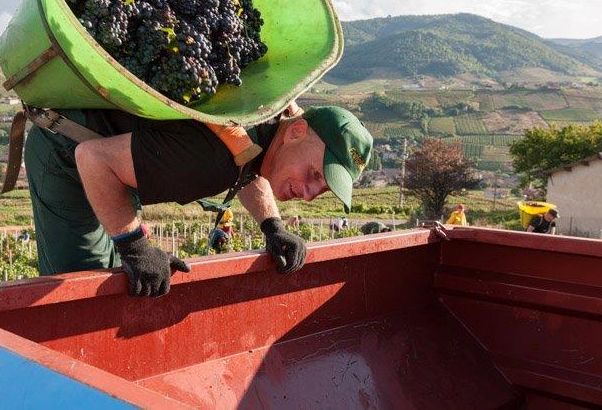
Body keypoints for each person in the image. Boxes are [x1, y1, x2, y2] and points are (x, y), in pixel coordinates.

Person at [23, 104, 373, 298]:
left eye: (322, 188)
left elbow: (249, 166)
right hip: (65, 157)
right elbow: (92, 159)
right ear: (296, 132)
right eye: (314, 174)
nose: (311, 193)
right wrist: (134, 245)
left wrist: (273, 226)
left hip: (115, 157)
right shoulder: (207, 161)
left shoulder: (268, 124)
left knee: (121, 271)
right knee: (85, 285)